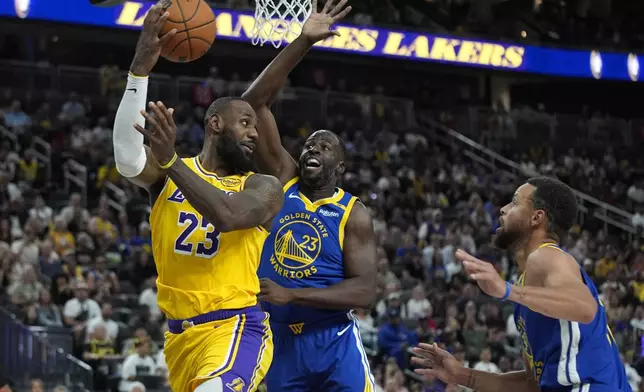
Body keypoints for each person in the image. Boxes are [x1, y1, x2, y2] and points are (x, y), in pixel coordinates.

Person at [111, 2, 283, 391]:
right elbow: (126, 159)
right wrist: (139, 72)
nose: (254, 133)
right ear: (215, 123)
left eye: (255, 126)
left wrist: (171, 160)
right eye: (245, 123)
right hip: (179, 338)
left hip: (238, 326)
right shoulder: (170, 174)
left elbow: (226, 215)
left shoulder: (263, 186)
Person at [241, 0, 377, 390]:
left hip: (334, 340)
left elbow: (365, 292)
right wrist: (303, 41)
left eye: (325, 146)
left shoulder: (353, 213)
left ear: (341, 168)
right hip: (278, 341)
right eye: (310, 145)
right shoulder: (283, 178)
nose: (313, 149)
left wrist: (293, 294)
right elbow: (252, 106)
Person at [412, 177, 631, 392]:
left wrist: (506, 290)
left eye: (515, 202)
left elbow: (585, 307)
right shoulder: (526, 296)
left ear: (537, 217)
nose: (503, 209)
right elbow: (531, 384)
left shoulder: (546, 256)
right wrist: (461, 375)